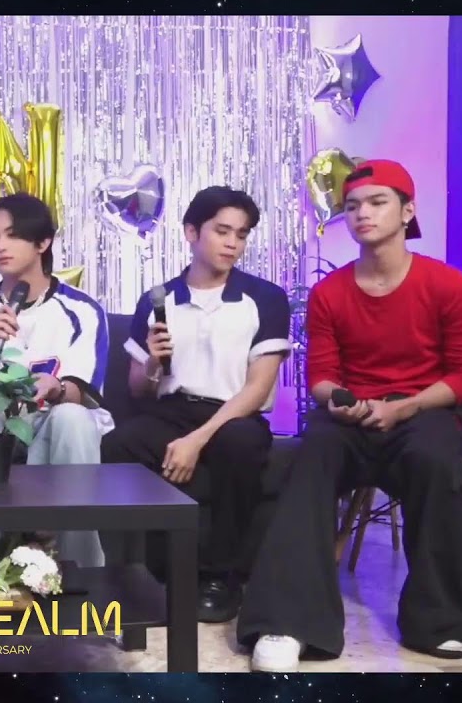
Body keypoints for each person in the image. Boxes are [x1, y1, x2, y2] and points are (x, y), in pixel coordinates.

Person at [237, 160, 462, 671]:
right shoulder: (330, 293)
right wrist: (342, 401)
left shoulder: (449, 286)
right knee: (309, 460)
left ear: (408, 211)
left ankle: (439, 623)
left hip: (421, 409)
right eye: (352, 206)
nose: (362, 214)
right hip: (353, 415)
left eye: (376, 202)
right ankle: (286, 622)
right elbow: (322, 376)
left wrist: (406, 406)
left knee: (437, 461)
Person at [99, 186, 291, 623]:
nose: (232, 243)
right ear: (191, 232)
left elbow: (258, 389)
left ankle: (220, 576)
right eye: (222, 231)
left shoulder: (264, 298)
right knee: (119, 445)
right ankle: (147, 572)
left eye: (241, 234)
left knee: (239, 443)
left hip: (233, 414)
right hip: (172, 410)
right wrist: (152, 360)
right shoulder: (159, 299)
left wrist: (197, 441)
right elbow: (139, 390)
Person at [0, 192, 110, 568]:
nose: (0, 247)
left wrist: (55, 388)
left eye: (13, 235)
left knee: (73, 418)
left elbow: (83, 391)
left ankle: (83, 572)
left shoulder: (81, 310)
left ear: (43, 242)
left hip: (52, 421)